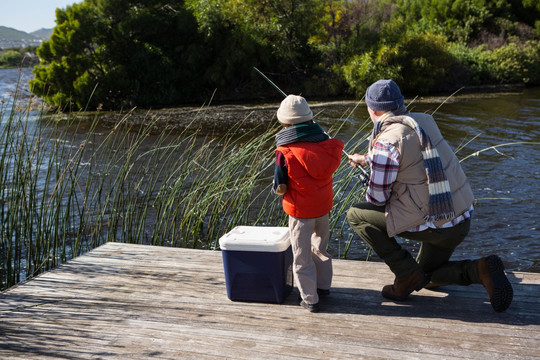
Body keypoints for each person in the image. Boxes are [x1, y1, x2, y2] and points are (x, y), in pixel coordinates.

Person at [346, 79, 513, 312]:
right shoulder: (425, 121)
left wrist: (372, 173)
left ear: (371, 110)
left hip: (435, 223)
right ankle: (480, 269)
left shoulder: (385, 142)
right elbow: (412, 157)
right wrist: (368, 160)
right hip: (460, 219)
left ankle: (405, 275)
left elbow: (377, 198)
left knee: (356, 214)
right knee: (427, 278)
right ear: (401, 104)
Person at [273, 95, 344, 312]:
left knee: (301, 256)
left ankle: (310, 298)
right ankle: (323, 287)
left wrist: (278, 189)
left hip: (300, 212)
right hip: (323, 208)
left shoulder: (284, 152)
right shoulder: (326, 144)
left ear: (285, 123)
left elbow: (279, 185)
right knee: (320, 248)